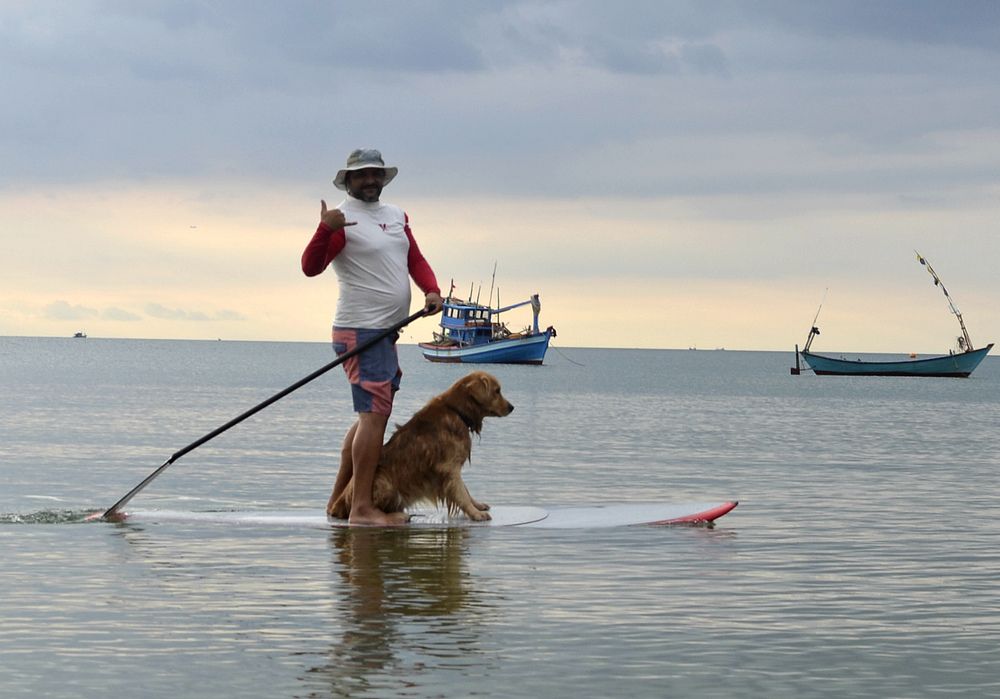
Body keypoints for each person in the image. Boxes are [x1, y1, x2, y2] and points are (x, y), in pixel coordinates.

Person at [301, 148, 443, 525]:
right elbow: (310, 268)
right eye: (361, 175)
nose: (369, 180)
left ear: (384, 178)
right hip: (359, 330)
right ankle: (362, 509)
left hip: (385, 333)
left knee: (371, 418)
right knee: (374, 416)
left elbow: (415, 258)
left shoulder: (397, 216)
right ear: (347, 181)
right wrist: (324, 229)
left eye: (375, 174)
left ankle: (339, 504)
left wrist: (431, 290)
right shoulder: (342, 219)